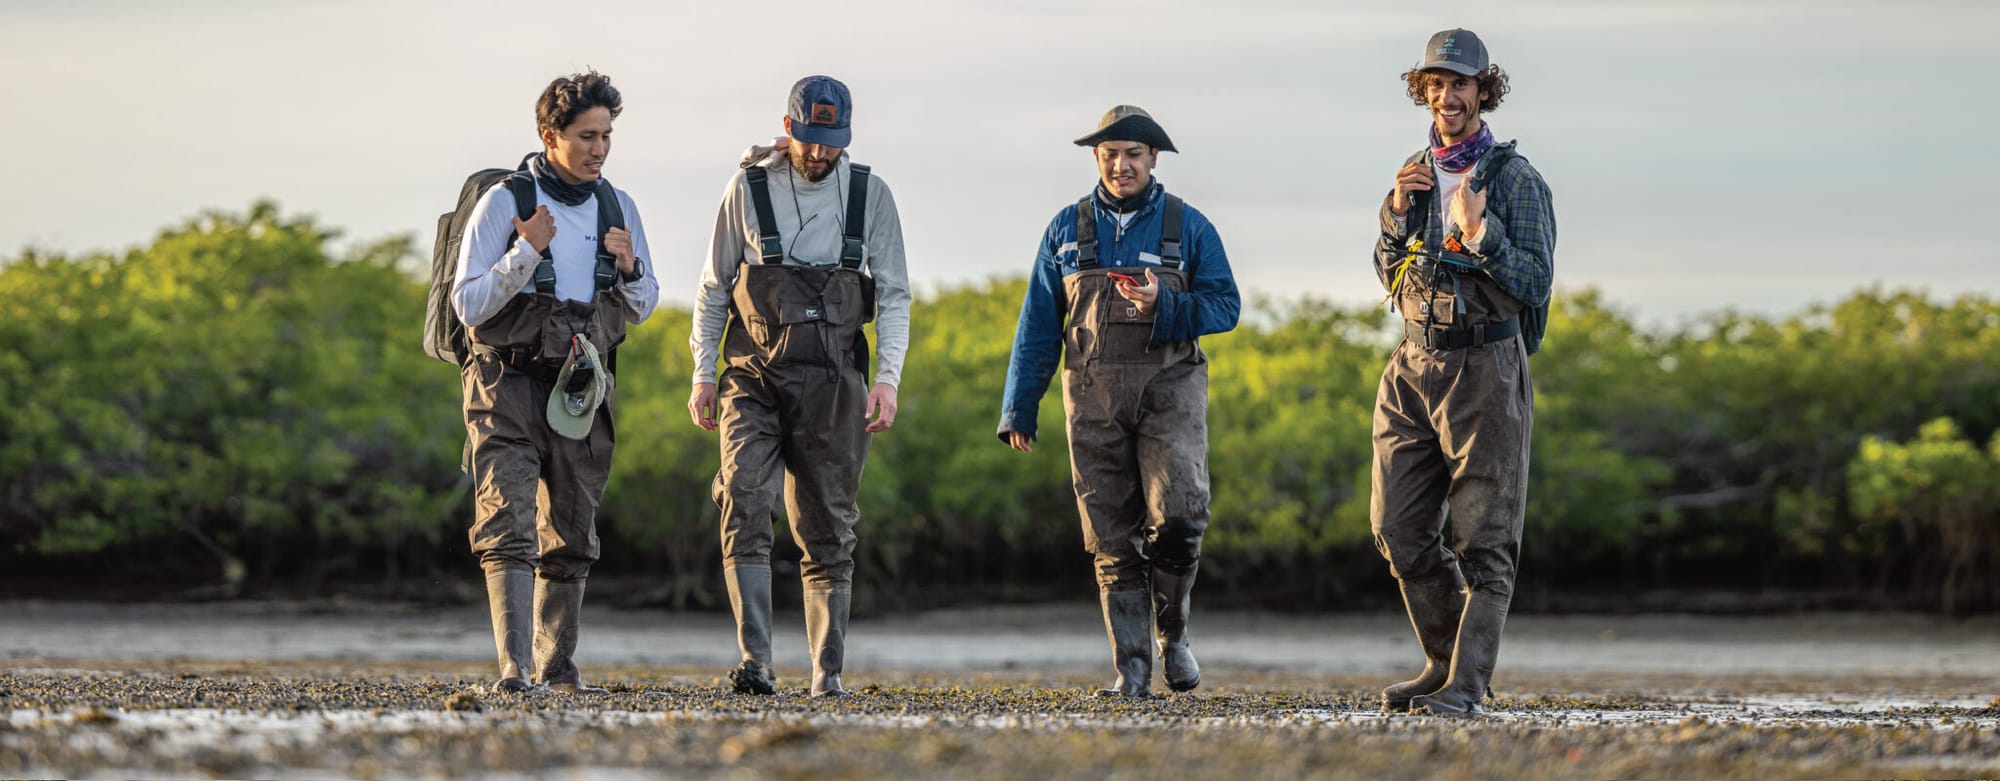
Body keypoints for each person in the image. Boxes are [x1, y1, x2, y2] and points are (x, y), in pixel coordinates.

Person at [997, 106, 1240, 697]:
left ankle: (1173, 633)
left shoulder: (1190, 227)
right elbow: (1037, 324)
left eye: (1133, 154)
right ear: (1097, 159)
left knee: (1180, 518)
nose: (1121, 164)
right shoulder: (1064, 229)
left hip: (1171, 394)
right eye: (1110, 154)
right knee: (1108, 537)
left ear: (1153, 158)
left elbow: (1226, 307)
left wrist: (1167, 306)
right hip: (1091, 399)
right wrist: (1018, 408)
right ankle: (1131, 672)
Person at [688, 75, 911, 698]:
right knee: (742, 494)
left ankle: (826, 673)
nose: (820, 154)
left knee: (828, 524)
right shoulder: (747, 187)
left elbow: (893, 295)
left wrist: (887, 380)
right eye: (810, 140)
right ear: (788, 129)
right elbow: (712, 288)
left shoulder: (871, 195)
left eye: (832, 142)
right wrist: (704, 372)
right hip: (751, 376)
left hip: (836, 379)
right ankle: (756, 660)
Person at [453, 70, 660, 693]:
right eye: (586, 136)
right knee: (508, 522)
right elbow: (469, 304)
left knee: (573, 527)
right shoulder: (504, 204)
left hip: (580, 388)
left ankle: (558, 665)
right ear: (550, 135)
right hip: (505, 386)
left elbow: (646, 302)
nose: (599, 149)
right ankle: (514, 669)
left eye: (607, 136)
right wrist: (525, 253)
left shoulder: (618, 206)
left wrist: (629, 267)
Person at [1369, 29, 1556, 716]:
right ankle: (1441, 664)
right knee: (1397, 528)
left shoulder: (1517, 181)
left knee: (1485, 536)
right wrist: (1394, 214)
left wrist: (1481, 235)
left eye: (1461, 83)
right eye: (1436, 84)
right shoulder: (1414, 171)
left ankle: (1467, 688)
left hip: (1487, 366)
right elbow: (1385, 269)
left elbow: (1535, 282)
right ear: (1425, 91)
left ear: (1485, 90)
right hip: (1411, 364)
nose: (1448, 95)